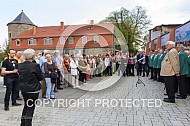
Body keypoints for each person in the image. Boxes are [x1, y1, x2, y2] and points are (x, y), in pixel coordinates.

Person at [18, 49, 43, 126]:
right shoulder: (35, 66)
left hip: (24, 89)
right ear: (33, 56)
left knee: (26, 105)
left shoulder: (20, 65)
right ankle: (28, 124)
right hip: (33, 89)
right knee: (30, 108)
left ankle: (23, 123)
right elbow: (40, 78)